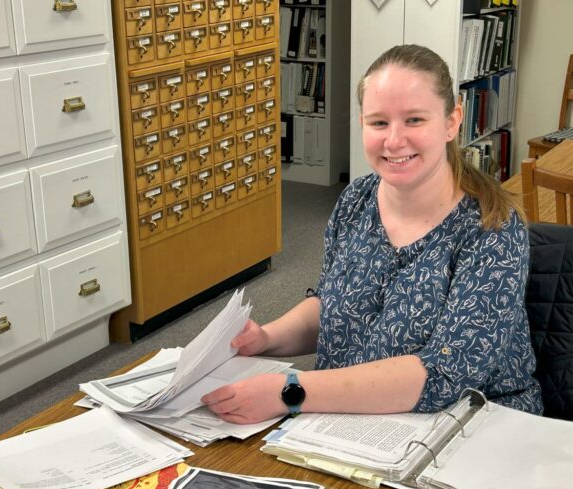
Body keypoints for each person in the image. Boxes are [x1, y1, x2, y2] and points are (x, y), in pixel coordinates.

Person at [201, 44, 542, 424]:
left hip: (463, 427)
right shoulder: (357, 199)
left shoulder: (492, 226)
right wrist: (266, 337)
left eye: (414, 120)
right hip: (352, 417)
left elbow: (445, 375)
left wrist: (290, 392)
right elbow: (331, 307)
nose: (394, 141)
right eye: (379, 123)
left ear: (451, 121)